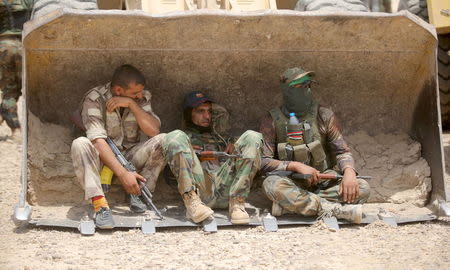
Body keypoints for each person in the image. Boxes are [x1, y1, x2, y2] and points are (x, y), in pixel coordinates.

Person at [259, 67, 371, 223]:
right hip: (292, 182)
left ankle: (292, 206)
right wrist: (295, 166)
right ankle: (331, 209)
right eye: (299, 87)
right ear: (286, 90)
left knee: (362, 187)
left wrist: (349, 173)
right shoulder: (271, 119)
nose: (305, 90)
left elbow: (342, 151)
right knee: (271, 185)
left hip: (323, 182)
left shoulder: (324, 115)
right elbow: (264, 161)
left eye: (308, 85)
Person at [71, 64, 168, 229]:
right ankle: (100, 205)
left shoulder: (140, 97)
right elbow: (97, 141)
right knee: (80, 144)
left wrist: (132, 104)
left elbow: (153, 131)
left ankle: (139, 194)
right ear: (117, 90)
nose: (140, 96)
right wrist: (123, 174)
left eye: (140, 92)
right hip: (103, 157)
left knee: (164, 139)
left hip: (130, 156)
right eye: (134, 94)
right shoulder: (95, 99)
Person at [0, 0, 33, 139]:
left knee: (9, 90)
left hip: (4, 47)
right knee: (23, 88)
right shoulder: (30, 2)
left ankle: (15, 128)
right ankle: (16, 127)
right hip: (25, 45)